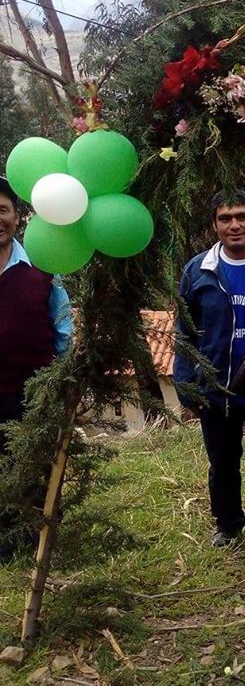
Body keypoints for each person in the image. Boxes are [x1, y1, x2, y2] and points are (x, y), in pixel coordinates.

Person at [173, 189, 245, 563]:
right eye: (225, 218)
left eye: (241, 216)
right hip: (215, 390)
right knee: (222, 463)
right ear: (214, 225)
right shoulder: (198, 270)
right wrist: (187, 384)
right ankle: (228, 524)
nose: (234, 225)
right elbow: (185, 332)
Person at [0, 175, 72, 561]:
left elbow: (62, 326)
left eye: (3, 210)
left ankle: (32, 541)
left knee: (32, 463)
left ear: (17, 216)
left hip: (32, 389)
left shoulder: (41, 268)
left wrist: (61, 378)